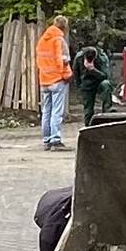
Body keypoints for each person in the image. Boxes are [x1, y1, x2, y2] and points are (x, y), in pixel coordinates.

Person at [36, 13, 71, 150]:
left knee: (46, 111)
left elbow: (39, 60)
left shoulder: (42, 40)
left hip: (44, 79)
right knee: (57, 111)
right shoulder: (59, 40)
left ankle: (46, 140)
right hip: (57, 79)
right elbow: (61, 59)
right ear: (64, 27)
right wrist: (66, 74)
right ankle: (55, 139)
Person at [71, 42, 112, 126]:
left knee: (106, 84)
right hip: (86, 84)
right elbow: (75, 73)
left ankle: (107, 112)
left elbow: (105, 76)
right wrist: (79, 87)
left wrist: (93, 70)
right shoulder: (79, 57)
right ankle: (88, 125)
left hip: (100, 82)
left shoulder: (102, 57)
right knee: (88, 110)